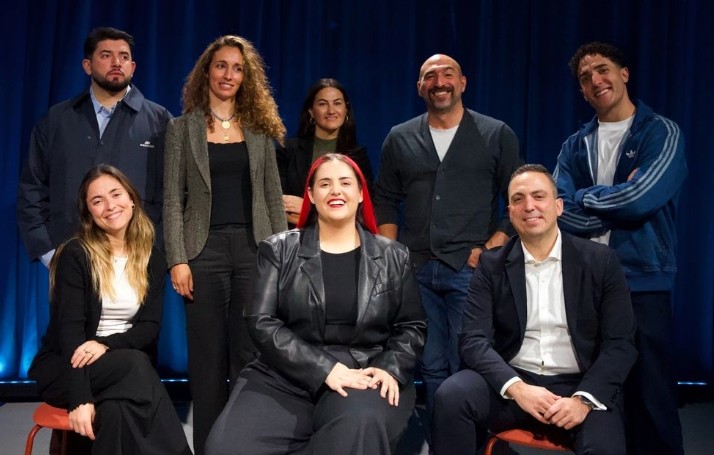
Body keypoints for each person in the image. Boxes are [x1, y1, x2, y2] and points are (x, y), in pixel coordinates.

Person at [205, 154, 426, 455]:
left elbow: (411, 326)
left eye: (345, 183)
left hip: (363, 370)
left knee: (354, 431)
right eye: (325, 184)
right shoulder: (278, 250)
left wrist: (391, 366)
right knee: (226, 448)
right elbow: (261, 321)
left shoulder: (394, 256)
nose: (336, 191)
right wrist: (325, 369)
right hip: (284, 372)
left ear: (361, 193)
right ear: (310, 194)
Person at [432, 164, 636, 455]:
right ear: (510, 212)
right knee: (452, 396)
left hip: (579, 387)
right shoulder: (491, 265)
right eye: (518, 199)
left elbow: (620, 344)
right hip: (514, 384)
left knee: (604, 447)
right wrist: (517, 388)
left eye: (539, 196)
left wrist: (583, 400)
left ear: (558, 206)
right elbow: (473, 340)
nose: (529, 206)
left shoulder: (601, 261)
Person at [553, 42, 687, 455]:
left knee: (652, 395)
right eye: (585, 77)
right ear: (582, 91)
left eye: (603, 69)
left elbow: (641, 198)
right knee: (602, 397)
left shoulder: (661, 132)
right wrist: (610, 198)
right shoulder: (575, 145)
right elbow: (558, 209)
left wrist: (587, 196)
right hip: (589, 283)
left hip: (642, 280)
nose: (596, 80)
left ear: (623, 74)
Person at [372, 53, 522, 420]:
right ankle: (441, 437)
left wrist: (490, 250)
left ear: (463, 82)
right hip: (416, 270)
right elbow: (385, 199)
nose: (440, 82)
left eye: (447, 74)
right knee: (431, 364)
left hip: (469, 270)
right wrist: (392, 255)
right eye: (430, 76)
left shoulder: (495, 133)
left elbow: (516, 198)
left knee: (468, 359)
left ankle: (469, 436)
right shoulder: (400, 137)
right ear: (419, 87)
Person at [163, 35, 287, 455]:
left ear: (246, 77)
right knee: (207, 365)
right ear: (207, 71)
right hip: (203, 253)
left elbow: (273, 198)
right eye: (221, 66)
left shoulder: (260, 130)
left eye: (237, 68)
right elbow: (172, 200)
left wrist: (281, 258)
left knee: (250, 360)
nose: (228, 75)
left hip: (254, 253)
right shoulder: (182, 129)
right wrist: (177, 260)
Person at [28, 164, 191, 455]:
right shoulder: (77, 254)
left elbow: (149, 328)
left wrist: (105, 344)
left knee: (116, 410)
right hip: (66, 368)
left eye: (116, 194)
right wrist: (80, 398)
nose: (110, 206)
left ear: (132, 199)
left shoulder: (152, 257)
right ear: (89, 212)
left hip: (119, 363)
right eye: (97, 201)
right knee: (136, 365)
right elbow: (70, 334)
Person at [17, 26, 172, 264]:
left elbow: (174, 194)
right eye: (106, 55)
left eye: (124, 56)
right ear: (87, 65)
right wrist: (49, 254)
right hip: (71, 255)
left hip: (140, 260)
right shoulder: (56, 120)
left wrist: (156, 253)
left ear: (133, 67)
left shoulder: (160, 122)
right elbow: (32, 190)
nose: (117, 62)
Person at [277, 78, 373, 226]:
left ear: (345, 110)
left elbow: (362, 207)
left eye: (337, 103)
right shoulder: (288, 150)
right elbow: (278, 205)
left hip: (341, 233)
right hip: (295, 234)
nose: (331, 111)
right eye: (322, 104)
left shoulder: (358, 156)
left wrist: (307, 209)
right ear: (311, 111)